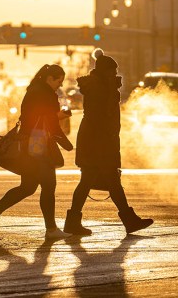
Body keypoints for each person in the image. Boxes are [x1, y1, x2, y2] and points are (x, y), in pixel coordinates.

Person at [64, 49, 153, 236]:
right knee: (107, 181)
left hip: (96, 142)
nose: (115, 74)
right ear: (105, 71)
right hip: (99, 143)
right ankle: (128, 220)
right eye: (113, 71)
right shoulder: (100, 88)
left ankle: (74, 222)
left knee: (93, 182)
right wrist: (109, 145)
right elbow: (103, 119)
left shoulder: (101, 86)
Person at [0, 64, 73, 240]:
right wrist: (67, 144)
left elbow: (39, 117)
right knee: (48, 185)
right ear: (49, 79)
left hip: (29, 144)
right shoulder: (46, 94)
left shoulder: (34, 90)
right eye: (58, 81)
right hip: (39, 146)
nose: (59, 85)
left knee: (28, 187)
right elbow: (50, 123)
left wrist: (56, 117)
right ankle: (51, 229)